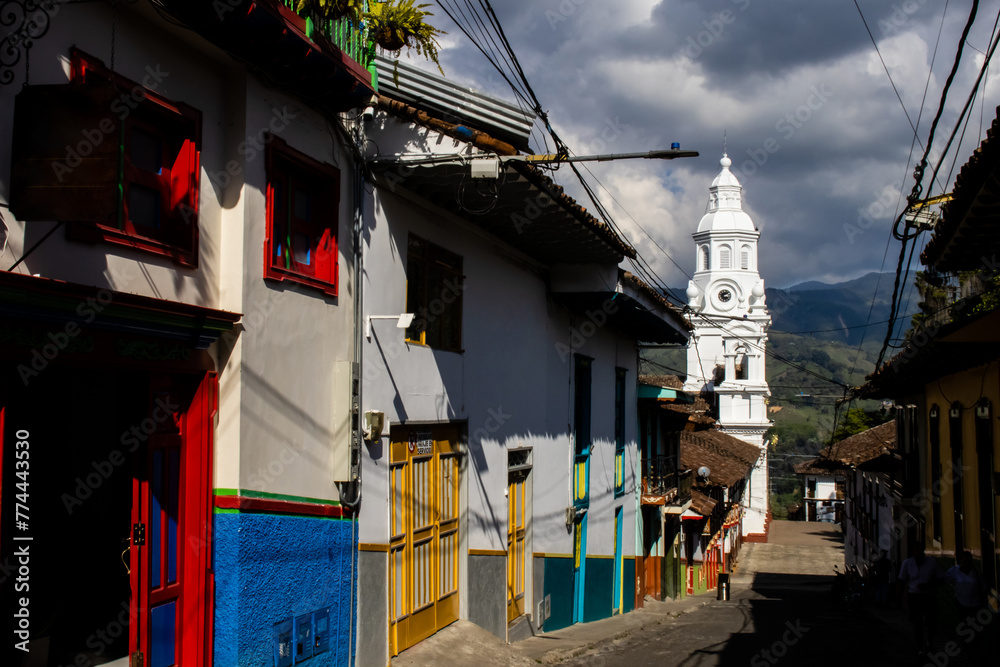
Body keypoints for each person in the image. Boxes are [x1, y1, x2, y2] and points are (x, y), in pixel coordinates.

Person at [898, 542, 942, 656]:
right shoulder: (907, 563)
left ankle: (929, 642)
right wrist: (902, 599)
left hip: (928, 595)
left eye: (919, 550)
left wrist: (929, 585)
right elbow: (902, 580)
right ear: (913, 551)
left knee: (931, 622)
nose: (917, 553)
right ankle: (920, 647)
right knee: (917, 623)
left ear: (923, 550)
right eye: (915, 550)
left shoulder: (932, 562)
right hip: (914, 596)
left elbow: (939, 578)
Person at [945, 550, 985, 661]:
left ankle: (976, 650)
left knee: (976, 628)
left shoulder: (975, 571)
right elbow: (944, 580)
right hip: (961, 603)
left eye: (969, 561)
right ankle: (969, 650)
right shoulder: (954, 571)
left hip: (975, 603)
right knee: (966, 626)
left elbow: (982, 585)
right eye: (965, 561)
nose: (967, 563)